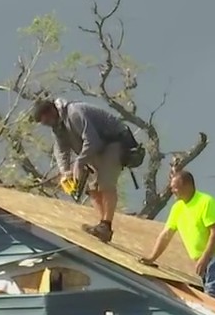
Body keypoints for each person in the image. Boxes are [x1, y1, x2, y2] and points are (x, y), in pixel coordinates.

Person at [30, 97, 137, 243]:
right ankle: (102, 227)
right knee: (92, 189)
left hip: (114, 143)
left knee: (105, 184)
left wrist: (79, 163)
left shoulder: (74, 113)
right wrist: (65, 171)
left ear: (50, 112)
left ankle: (106, 225)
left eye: (46, 120)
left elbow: (92, 140)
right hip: (97, 150)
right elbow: (61, 150)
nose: (47, 125)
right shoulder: (57, 127)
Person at [139, 169, 215, 305]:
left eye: (175, 187)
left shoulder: (206, 202)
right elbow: (166, 234)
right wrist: (152, 258)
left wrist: (205, 258)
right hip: (205, 260)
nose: (172, 191)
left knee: (214, 299)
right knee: (213, 299)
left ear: (187, 185)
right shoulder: (177, 208)